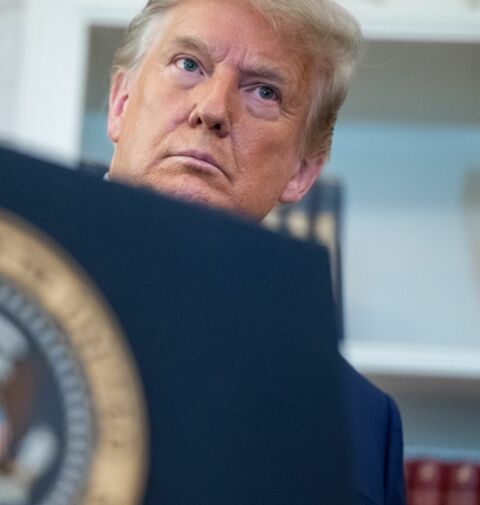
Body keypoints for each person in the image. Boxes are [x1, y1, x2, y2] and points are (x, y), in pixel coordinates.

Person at [104, 0, 405, 503]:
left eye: (264, 91)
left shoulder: (363, 424)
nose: (214, 109)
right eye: (188, 64)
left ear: (303, 171)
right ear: (120, 103)